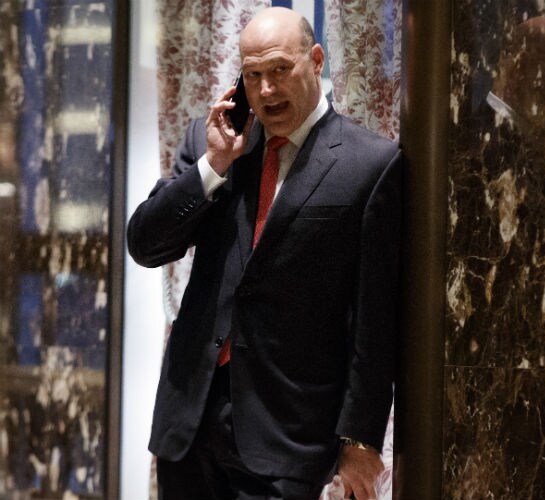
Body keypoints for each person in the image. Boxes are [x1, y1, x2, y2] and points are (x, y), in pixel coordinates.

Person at [128, 7, 402, 500]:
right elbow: (146, 245)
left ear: (315, 60)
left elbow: (375, 321)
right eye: (253, 75)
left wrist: (360, 438)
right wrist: (214, 165)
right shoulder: (216, 144)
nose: (267, 89)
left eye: (280, 69)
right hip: (189, 424)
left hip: (288, 435)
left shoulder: (370, 165)